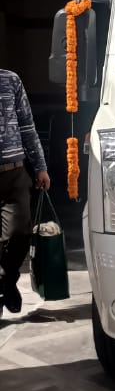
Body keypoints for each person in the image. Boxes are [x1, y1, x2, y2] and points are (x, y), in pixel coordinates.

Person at [0, 69, 50, 316]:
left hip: (14, 172)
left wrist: (40, 166)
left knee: (20, 233)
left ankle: (6, 282)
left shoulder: (11, 80)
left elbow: (27, 126)